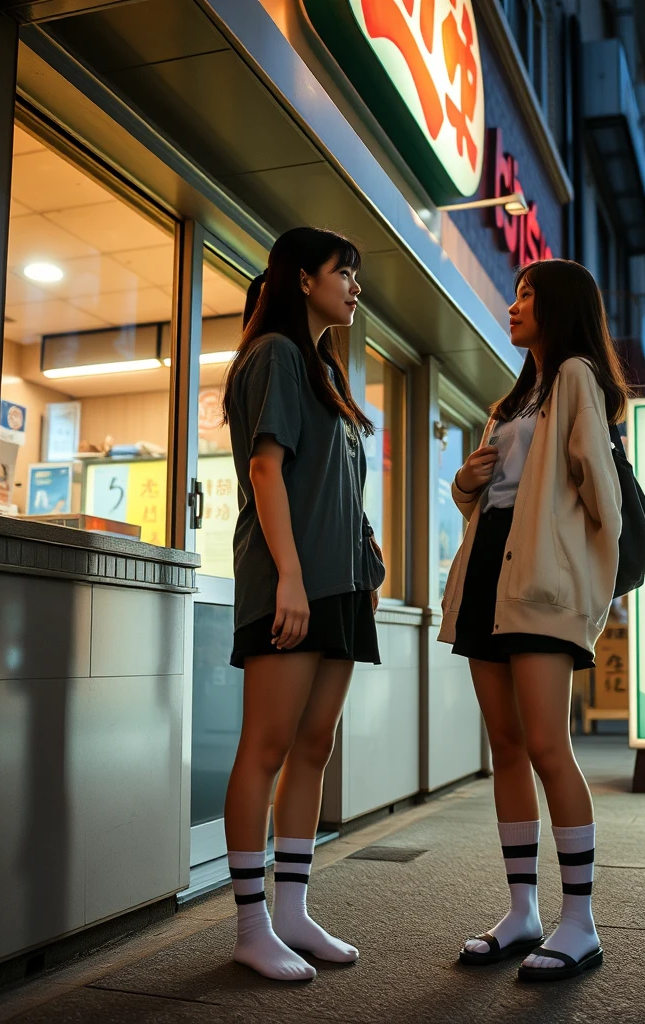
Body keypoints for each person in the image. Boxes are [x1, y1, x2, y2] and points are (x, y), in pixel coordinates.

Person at [439, 258, 629, 982]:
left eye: (525, 296)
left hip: (544, 581)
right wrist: (464, 483)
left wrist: (596, 589)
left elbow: (598, 491)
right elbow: (488, 496)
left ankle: (579, 921)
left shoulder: (577, 375)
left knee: (550, 746)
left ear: (557, 307)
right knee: (507, 746)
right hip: (491, 571)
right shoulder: (512, 399)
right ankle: (522, 910)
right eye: (515, 293)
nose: (514, 306)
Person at [221, 227, 385, 982]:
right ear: (300, 279)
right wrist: (288, 575)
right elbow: (264, 469)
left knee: (314, 745)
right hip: (293, 583)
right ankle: (252, 926)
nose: (354, 286)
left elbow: (331, 483)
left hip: (341, 583)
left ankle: (293, 911)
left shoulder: (322, 367)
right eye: (342, 272)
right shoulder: (278, 355)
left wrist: (367, 552)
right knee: (266, 746)